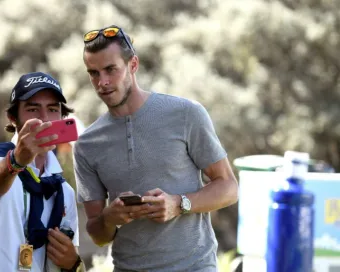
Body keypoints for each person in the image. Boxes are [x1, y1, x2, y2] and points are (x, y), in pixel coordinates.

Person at [73, 25, 239, 271]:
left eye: (110, 70)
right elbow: (98, 234)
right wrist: (109, 217)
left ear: (133, 65)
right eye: (94, 73)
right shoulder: (87, 144)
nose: (102, 82)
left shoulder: (186, 114)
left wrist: (178, 203)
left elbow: (229, 188)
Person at [0, 72, 83, 271]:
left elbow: (66, 264)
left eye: (53, 109)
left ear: (62, 117)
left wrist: (74, 263)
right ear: (13, 118)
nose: (44, 119)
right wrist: (16, 161)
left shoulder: (64, 193)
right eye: (33, 109)